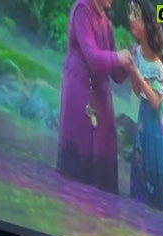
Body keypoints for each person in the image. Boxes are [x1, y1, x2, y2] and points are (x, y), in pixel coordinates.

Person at [57, 0, 133, 193]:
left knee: (103, 174)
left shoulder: (106, 23)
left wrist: (131, 62)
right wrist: (118, 57)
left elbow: (116, 75)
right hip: (80, 89)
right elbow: (92, 57)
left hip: (101, 94)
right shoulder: (82, 9)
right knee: (77, 172)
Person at [127, 0, 163, 216]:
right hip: (143, 120)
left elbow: (157, 103)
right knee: (140, 168)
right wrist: (132, 70)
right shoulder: (137, 52)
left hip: (157, 125)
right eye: (131, 14)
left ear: (148, 25)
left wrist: (138, 74)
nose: (132, 19)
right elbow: (136, 92)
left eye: (137, 17)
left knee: (155, 180)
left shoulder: (157, 66)